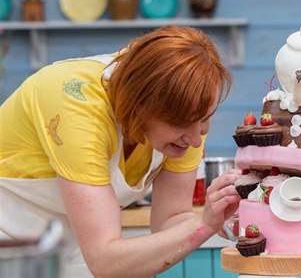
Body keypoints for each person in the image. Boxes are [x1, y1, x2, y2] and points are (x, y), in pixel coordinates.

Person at [0, 25, 241, 277]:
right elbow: (105, 261)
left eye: (205, 118)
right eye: (180, 124)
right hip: (8, 244)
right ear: (139, 108)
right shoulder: (76, 106)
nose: (195, 140)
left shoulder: (187, 109)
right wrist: (202, 224)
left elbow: (171, 220)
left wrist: (218, 220)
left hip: (72, 246)